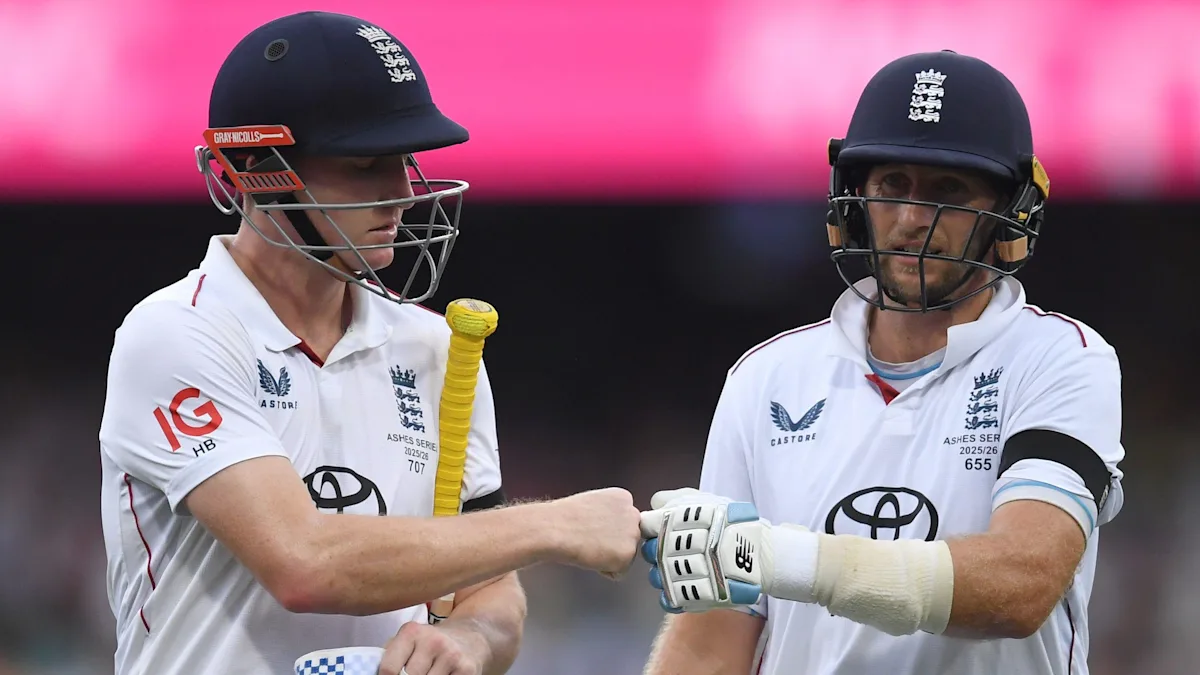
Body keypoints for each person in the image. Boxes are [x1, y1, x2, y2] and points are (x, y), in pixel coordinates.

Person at [97, 11, 642, 675]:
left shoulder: (437, 346)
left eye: (405, 159)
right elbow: (304, 563)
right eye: (365, 164)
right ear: (256, 171)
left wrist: (471, 637)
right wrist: (554, 525)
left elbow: (490, 591)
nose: (403, 192)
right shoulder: (176, 335)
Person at [638, 50, 1125, 675]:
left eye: (949, 190)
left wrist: (778, 557)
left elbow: (1022, 584)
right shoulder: (764, 378)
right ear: (856, 198)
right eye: (893, 185)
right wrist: (754, 563)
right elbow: (710, 647)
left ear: (1010, 210)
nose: (913, 218)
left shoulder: (1061, 360)